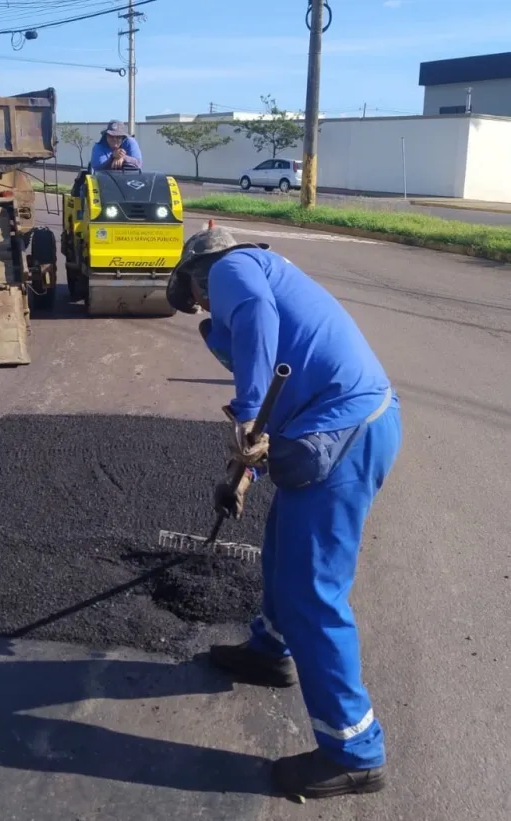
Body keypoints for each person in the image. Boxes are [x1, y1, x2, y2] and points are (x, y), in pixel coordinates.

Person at [165, 225, 402, 800]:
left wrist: (245, 414)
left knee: (313, 593)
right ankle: (271, 650)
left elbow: (253, 323)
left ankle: (355, 752)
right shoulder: (266, 292)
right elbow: (274, 411)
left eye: (196, 297)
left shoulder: (232, 266)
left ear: (200, 270)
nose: (203, 307)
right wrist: (241, 478)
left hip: (346, 433)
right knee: (280, 547)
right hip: (332, 427)